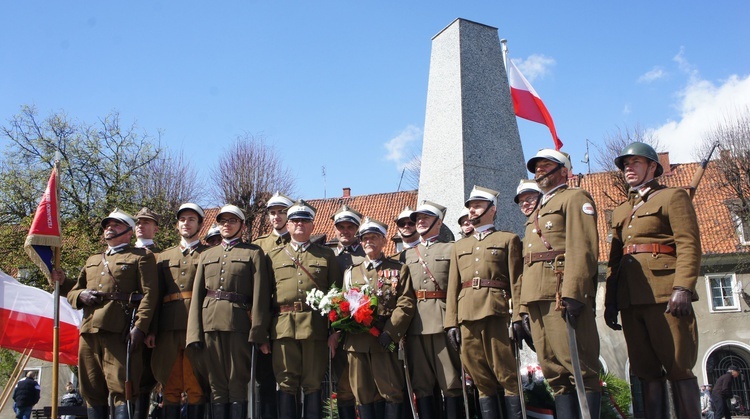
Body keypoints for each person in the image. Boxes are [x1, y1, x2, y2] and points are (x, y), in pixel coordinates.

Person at [604, 142, 702, 419]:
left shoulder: (673, 197)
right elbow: (614, 261)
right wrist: (611, 301)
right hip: (630, 299)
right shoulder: (622, 211)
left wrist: (683, 287)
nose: (628, 168)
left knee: (679, 367)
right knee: (645, 372)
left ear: (652, 167)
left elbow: (689, 245)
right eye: (625, 164)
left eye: (635, 162)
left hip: (665, 295)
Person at [55, 208, 158, 419]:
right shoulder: (93, 260)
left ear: (129, 232)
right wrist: (78, 293)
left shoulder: (141, 257)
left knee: (123, 387)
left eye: (116, 225)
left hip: (120, 331)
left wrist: (141, 326)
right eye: (107, 226)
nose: (109, 228)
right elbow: (75, 290)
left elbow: (150, 296)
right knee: (91, 388)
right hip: (89, 330)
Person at [521, 149, 601, 418]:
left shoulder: (575, 197)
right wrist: (522, 306)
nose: (540, 171)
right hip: (536, 296)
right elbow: (527, 262)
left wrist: (574, 291)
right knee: (553, 371)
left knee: (579, 368)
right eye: (537, 167)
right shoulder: (537, 211)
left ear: (564, 170)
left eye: (547, 166)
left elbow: (583, 246)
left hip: (560, 293)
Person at [445, 186, 525, 418]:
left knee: (507, 374)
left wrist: (518, 315)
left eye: (478, 205)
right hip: (467, 315)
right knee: (479, 377)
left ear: (493, 210)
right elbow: (453, 287)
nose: (472, 210)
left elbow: (516, 281)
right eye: (470, 206)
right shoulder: (459, 246)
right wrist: (451, 322)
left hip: (496, 312)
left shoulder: (508, 239)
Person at [186, 205, 271, 419]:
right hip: (209, 322)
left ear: (241, 226)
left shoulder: (253, 252)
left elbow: (260, 295)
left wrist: (258, 332)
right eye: (223, 221)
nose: (226, 224)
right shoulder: (207, 255)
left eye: (232, 221)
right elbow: (197, 295)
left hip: (238, 324)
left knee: (237, 382)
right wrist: (194, 333)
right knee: (216, 383)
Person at [334, 217, 415, 419]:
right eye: (365, 238)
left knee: (391, 390)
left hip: (383, 340)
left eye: (374, 237)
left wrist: (391, 332)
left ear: (384, 241)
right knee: (362, 394)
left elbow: (405, 303)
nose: (368, 241)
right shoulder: (350, 273)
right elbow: (343, 304)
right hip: (356, 341)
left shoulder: (398, 269)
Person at [266, 200, 341, 419]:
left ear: (312, 226)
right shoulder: (273, 256)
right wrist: (261, 332)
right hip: (282, 327)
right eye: (295, 220)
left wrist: (335, 331)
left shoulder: (327, 256)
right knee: (286, 383)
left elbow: (336, 295)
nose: (300, 224)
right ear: (287, 225)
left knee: (313, 382)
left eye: (305, 220)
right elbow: (264, 297)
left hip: (315, 327)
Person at [403, 201, 463, 417]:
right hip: (415, 325)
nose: (419, 221)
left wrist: (454, 321)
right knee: (422, 384)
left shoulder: (451, 249)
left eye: (426, 218)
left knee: (451, 381)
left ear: (439, 222)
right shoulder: (407, 255)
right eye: (417, 218)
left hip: (442, 321)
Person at [151, 203, 210, 419]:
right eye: (183, 219)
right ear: (177, 225)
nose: (186, 223)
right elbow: (155, 297)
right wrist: (152, 330)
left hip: (197, 326)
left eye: (192, 219)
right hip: (168, 328)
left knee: (196, 382)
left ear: (200, 225)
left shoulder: (209, 254)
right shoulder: (164, 257)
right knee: (170, 382)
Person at [252, 191, 295, 419]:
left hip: (291, 320)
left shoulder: (298, 242)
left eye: (281, 212)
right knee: (265, 380)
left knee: (293, 380)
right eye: (272, 213)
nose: (276, 217)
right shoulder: (259, 245)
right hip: (267, 320)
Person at [329, 204, 365, 419]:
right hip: (336, 331)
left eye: (349, 227)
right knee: (343, 387)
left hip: (362, 329)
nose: (345, 231)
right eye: (340, 227)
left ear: (356, 229)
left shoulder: (366, 257)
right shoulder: (328, 257)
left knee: (365, 385)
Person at [134, 206, 162, 419]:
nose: (141, 226)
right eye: (138, 223)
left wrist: (151, 329)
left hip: (146, 326)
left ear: (156, 228)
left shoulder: (159, 257)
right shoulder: (122, 252)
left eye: (146, 222)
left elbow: (158, 297)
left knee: (143, 378)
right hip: (122, 323)